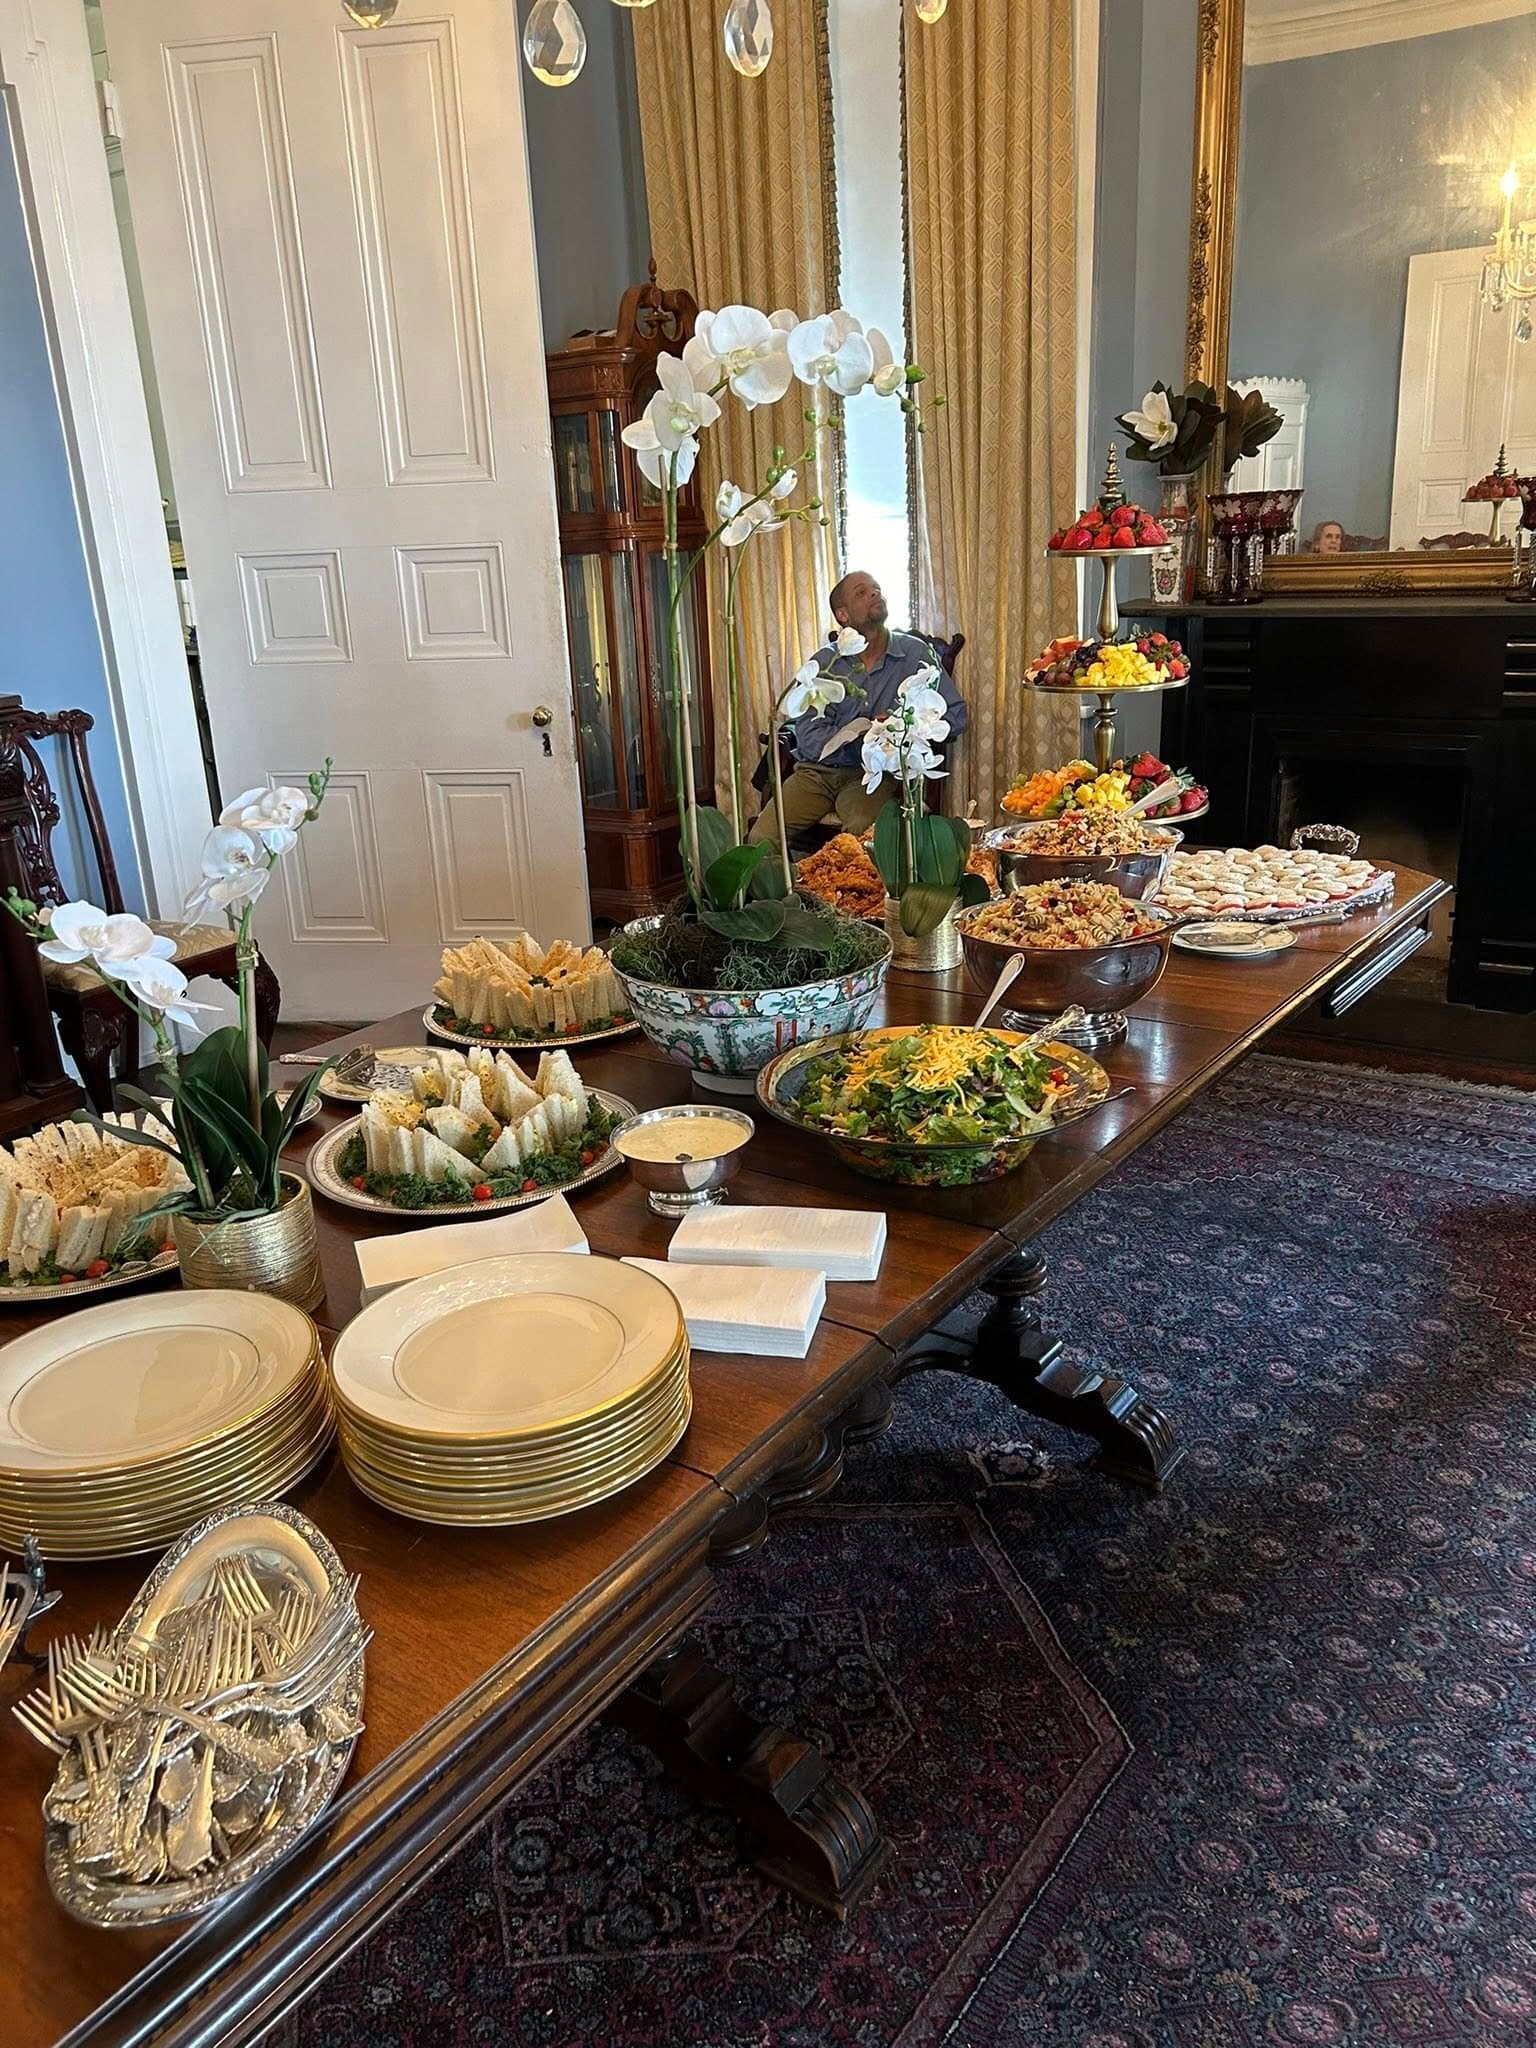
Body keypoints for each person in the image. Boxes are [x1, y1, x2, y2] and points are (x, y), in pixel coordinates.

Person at [749, 570, 969, 847]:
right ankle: (796, 889)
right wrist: (856, 739)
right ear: (843, 615)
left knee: (860, 839)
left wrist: (903, 725)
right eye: (861, 592)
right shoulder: (826, 661)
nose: (874, 594)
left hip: (872, 778)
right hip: (815, 773)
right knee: (760, 839)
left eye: (876, 588)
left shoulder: (915, 654)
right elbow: (807, 731)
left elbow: (956, 714)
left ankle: (848, 888)